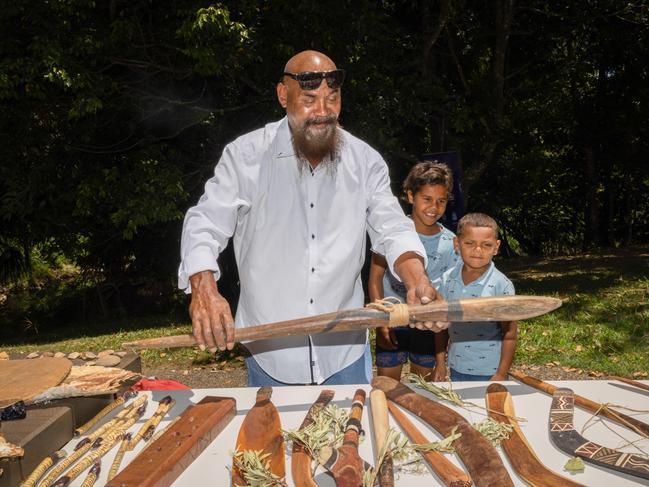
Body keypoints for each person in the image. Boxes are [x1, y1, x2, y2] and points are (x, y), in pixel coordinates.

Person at [178, 50, 447, 387]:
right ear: (282, 95)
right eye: (309, 99)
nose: (322, 111)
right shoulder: (245, 156)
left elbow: (391, 227)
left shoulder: (364, 160)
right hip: (271, 356)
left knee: (353, 438)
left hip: (345, 354)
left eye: (332, 98)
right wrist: (203, 286)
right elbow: (205, 222)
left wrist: (416, 278)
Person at [368, 161, 460, 382]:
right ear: (410, 196)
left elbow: (444, 300)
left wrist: (441, 360)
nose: (434, 207)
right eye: (426, 199)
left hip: (427, 328)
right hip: (392, 322)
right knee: (387, 388)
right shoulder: (391, 235)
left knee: (424, 391)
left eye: (441, 201)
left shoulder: (451, 243)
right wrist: (381, 323)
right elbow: (375, 279)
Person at [436, 213, 518, 381]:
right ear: (456, 244)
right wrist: (440, 363)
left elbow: (509, 333)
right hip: (457, 367)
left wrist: (501, 373)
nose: (478, 250)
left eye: (486, 245)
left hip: (491, 371)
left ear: (496, 247)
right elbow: (441, 326)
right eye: (470, 243)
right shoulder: (447, 280)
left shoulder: (501, 285)